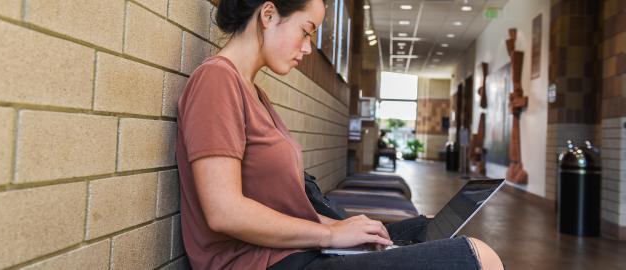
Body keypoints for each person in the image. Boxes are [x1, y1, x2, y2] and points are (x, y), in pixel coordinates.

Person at [175, 0, 504, 269]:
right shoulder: (217, 80)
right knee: (478, 255)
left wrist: (338, 227)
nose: (306, 49)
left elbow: (284, 207)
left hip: (288, 251)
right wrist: (330, 236)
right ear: (268, 14)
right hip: (258, 263)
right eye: (306, 32)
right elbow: (223, 211)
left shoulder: (256, 94)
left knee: (425, 229)